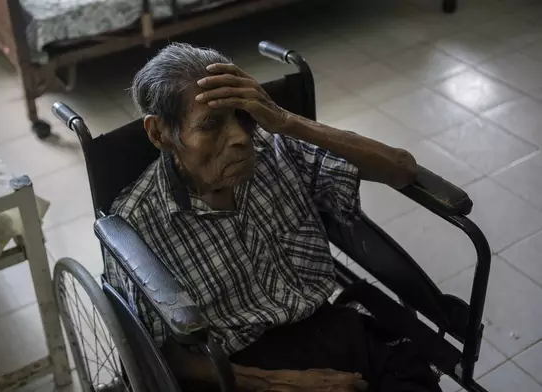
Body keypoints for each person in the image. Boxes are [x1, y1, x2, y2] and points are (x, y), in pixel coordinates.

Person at [108, 42, 441, 392]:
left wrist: (285, 120)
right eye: (211, 124)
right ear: (160, 133)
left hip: (319, 327)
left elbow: (401, 169)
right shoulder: (136, 224)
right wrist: (279, 383)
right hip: (232, 367)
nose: (239, 137)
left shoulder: (276, 148)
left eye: (243, 116)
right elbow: (156, 352)